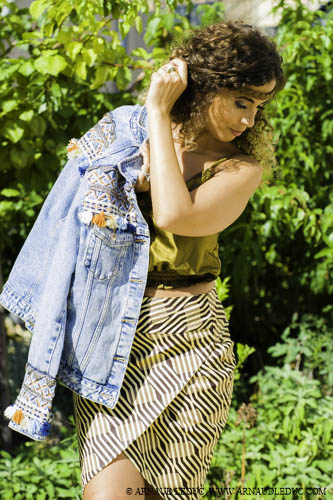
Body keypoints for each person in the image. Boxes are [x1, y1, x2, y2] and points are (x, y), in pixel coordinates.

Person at [0, 19, 284, 500]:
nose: (250, 121)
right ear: (208, 85)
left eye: (259, 107)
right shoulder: (124, 131)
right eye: (242, 101)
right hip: (108, 335)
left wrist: (157, 109)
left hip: (190, 342)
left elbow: (175, 213)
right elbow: (65, 219)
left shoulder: (240, 168)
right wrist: (155, 119)